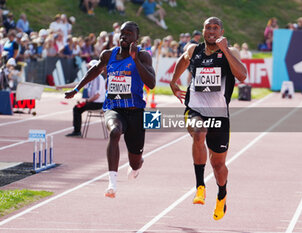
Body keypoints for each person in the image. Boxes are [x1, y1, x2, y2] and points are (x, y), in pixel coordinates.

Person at [64, 21, 156, 198]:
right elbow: (95, 70)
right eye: (122, 33)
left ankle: (137, 163)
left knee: (135, 161)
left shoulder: (143, 56)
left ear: (137, 38)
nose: (124, 36)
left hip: (135, 111)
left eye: (129, 33)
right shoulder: (108, 55)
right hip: (114, 108)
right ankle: (112, 182)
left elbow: (151, 83)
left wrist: (135, 59)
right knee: (114, 131)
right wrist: (76, 89)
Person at [170, 16, 247, 220]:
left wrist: (226, 51)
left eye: (215, 28)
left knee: (219, 166)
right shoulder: (194, 49)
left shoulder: (230, 51)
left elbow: (242, 76)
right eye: (208, 28)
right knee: (199, 132)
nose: (211, 31)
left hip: (220, 115)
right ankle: (200, 186)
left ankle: (222, 195)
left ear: (221, 31)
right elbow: (183, 60)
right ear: (203, 31)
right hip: (195, 108)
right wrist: (173, 81)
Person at [60, 60, 106, 137]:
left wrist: (86, 101)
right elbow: (77, 85)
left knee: (77, 109)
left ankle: (77, 131)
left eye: (90, 67)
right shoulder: (90, 78)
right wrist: (61, 87)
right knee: (77, 108)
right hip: (92, 102)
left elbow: (97, 95)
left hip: (98, 104)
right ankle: (77, 131)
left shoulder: (99, 78)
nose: (89, 69)